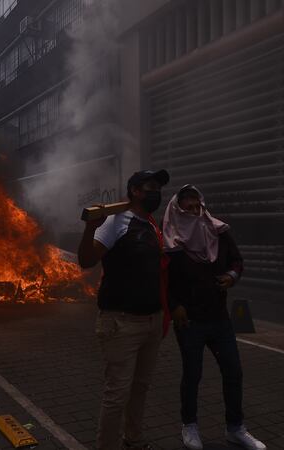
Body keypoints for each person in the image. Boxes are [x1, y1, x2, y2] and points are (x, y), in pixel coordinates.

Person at [163, 185, 265, 450]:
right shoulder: (170, 241)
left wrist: (232, 276)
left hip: (219, 318)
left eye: (198, 206)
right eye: (188, 207)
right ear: (177, 209)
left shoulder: (218, 230)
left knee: (233, 371)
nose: (195, 212)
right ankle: (189, 426)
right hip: (189, 321)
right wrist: (174, 306)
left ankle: (235, 428)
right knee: (192, 374)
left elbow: (237, 260)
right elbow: (162, 279)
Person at [78, 169, 171, 450]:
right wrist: (91, 227)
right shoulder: (116, 221)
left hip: (152, 322)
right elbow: (86, 260)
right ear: (134, 191)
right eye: (149, 187)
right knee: (117, 394)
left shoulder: (153, 225)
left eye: (157, 187)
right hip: (121, 323)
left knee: (140, 389)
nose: (155, 192)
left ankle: (134, 439)